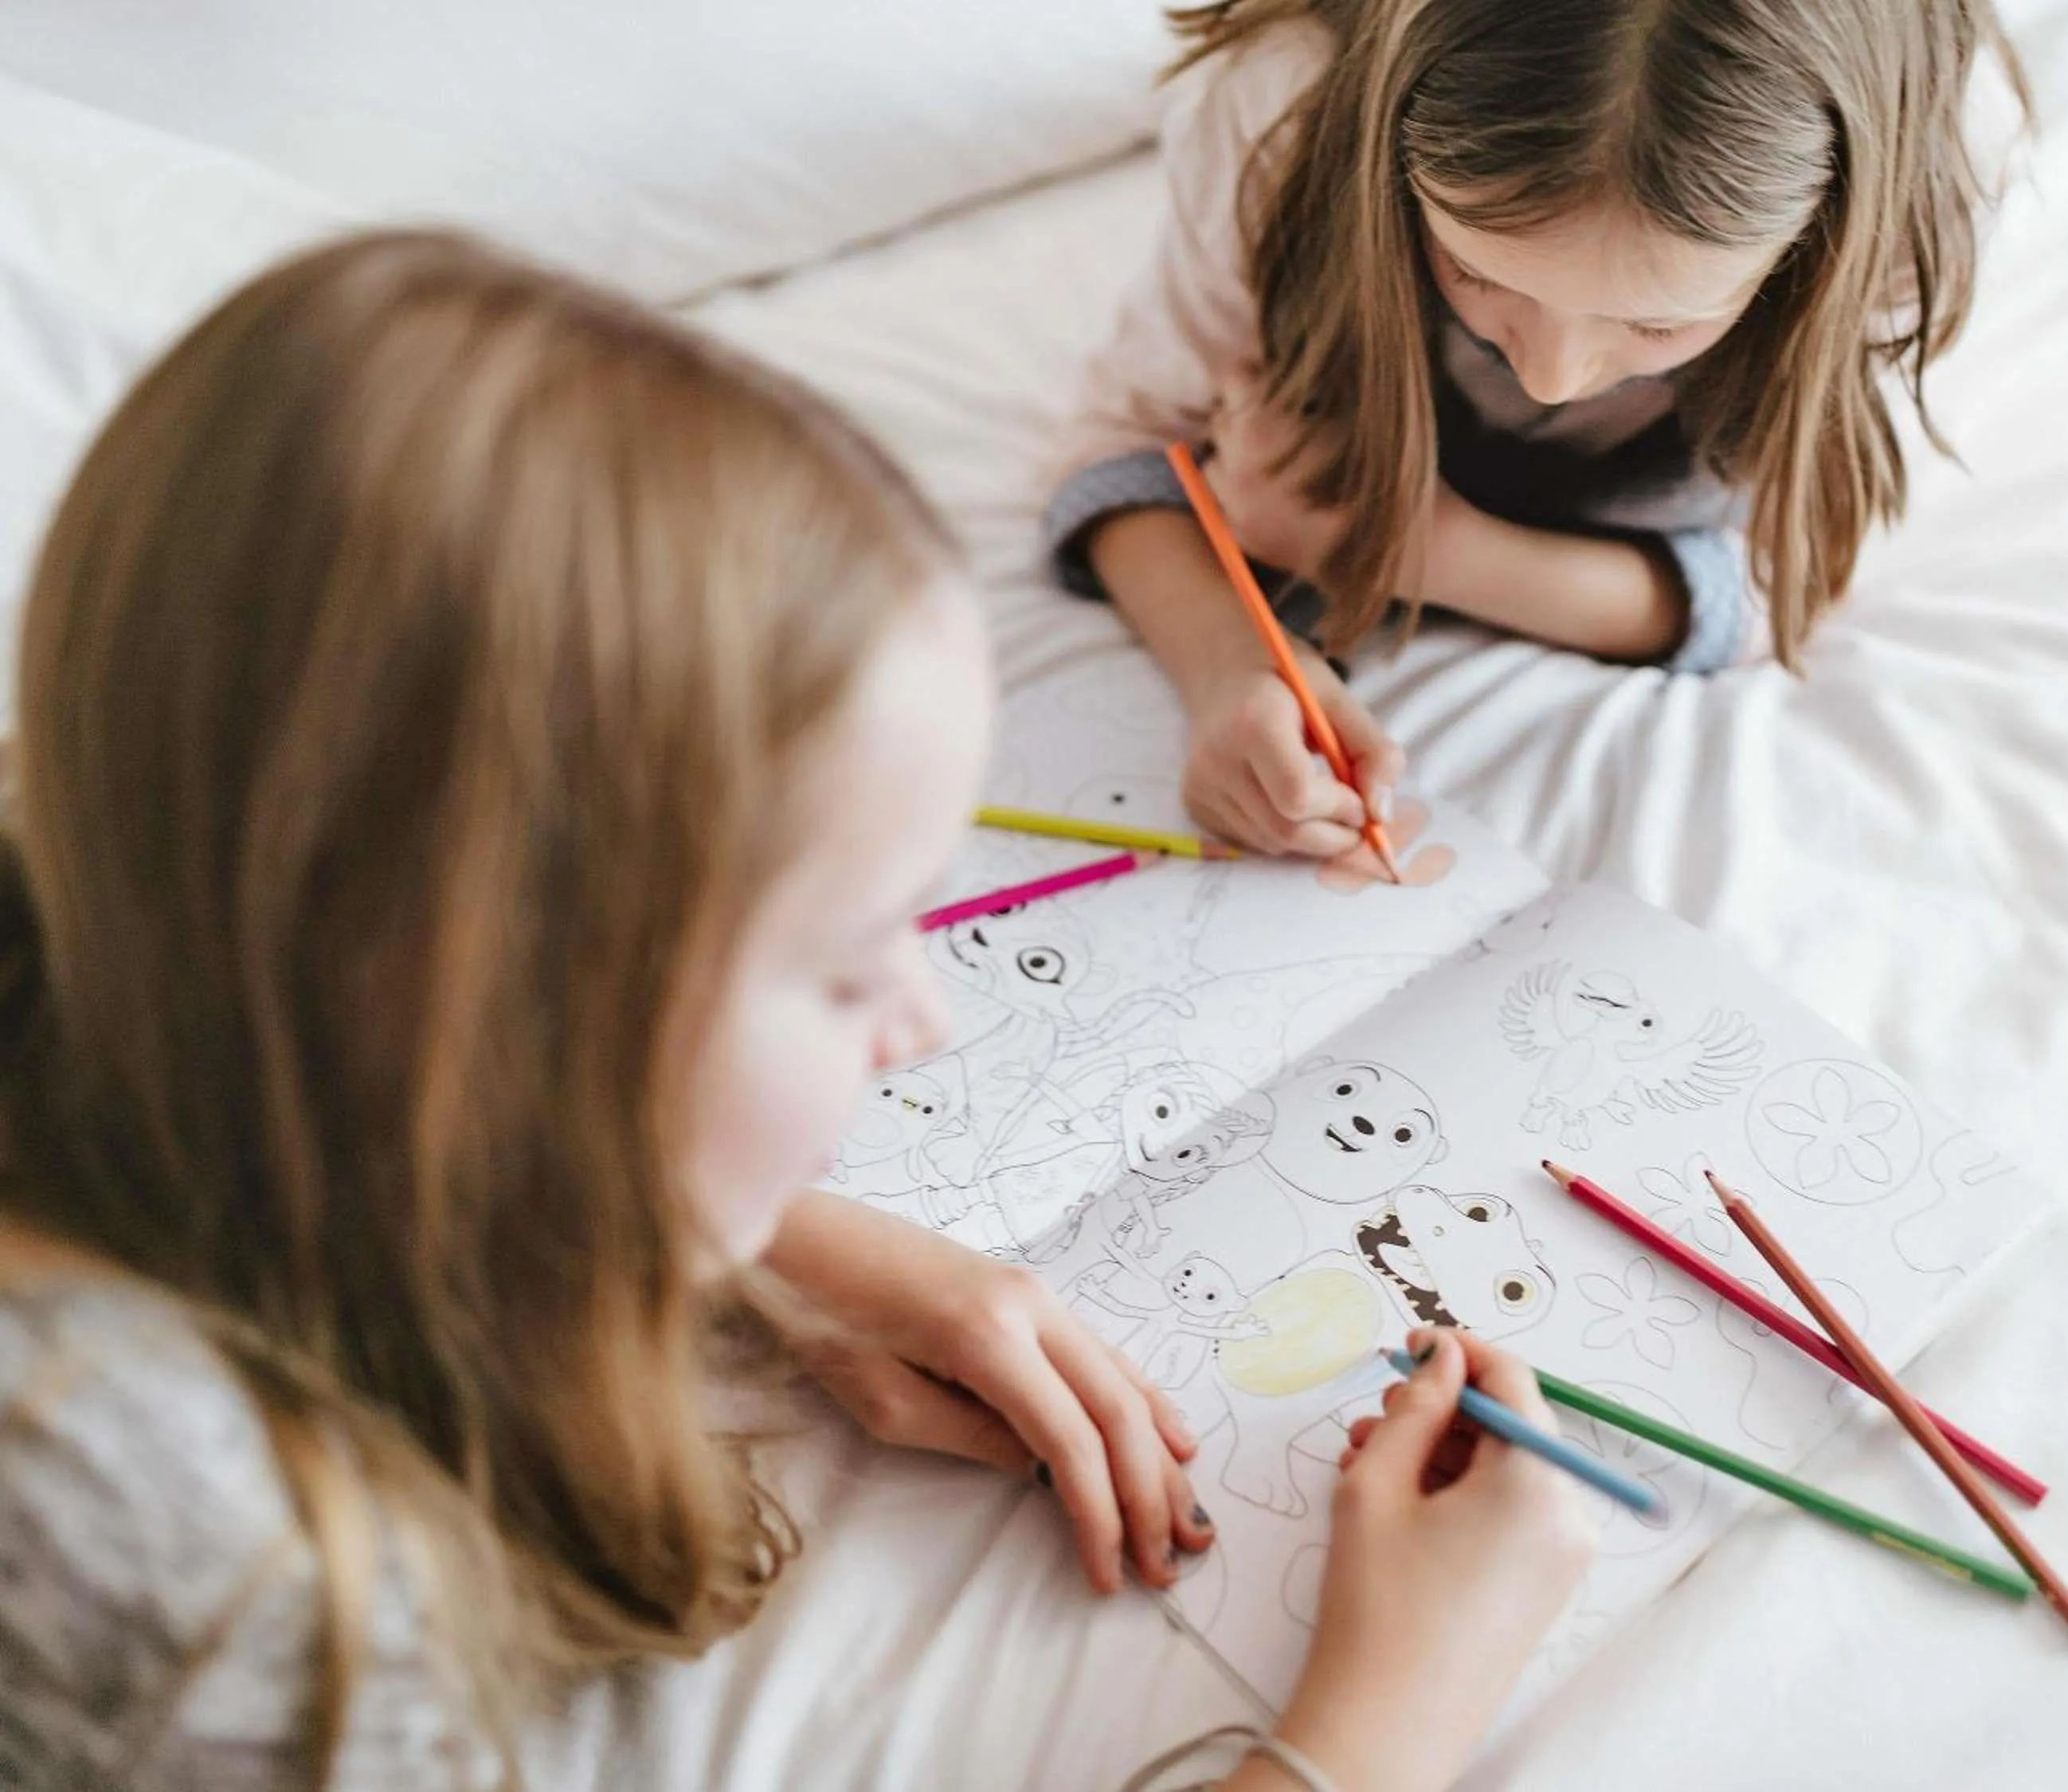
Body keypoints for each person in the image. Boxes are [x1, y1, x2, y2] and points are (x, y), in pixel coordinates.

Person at [0, 232, 1595, 1792]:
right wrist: (1379, 1721)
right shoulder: (205, 1583)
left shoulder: (102, 872)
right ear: (481, 1015)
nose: (922, 1021)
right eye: (844, 962)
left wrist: (761, 1242)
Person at [1045, 0, 2024, 859]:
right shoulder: (1282, 104)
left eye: (1657, 323)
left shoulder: (1929, 174)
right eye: (1475, 271)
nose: (1553, 374)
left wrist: (1411, 549)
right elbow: (1126, 442)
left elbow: (1793, 575)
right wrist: (1229, 668)